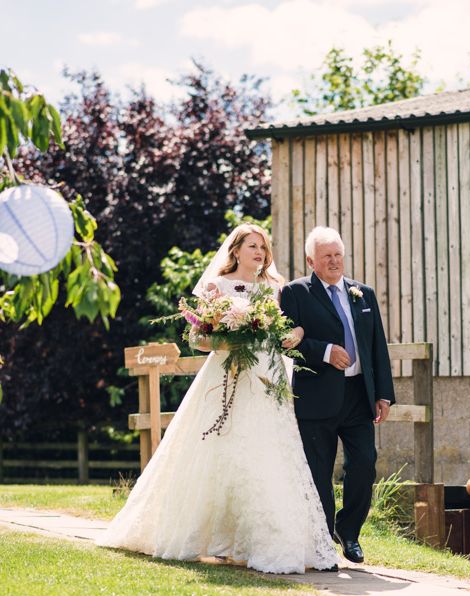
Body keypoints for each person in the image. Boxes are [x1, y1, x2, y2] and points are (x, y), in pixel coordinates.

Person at [96, 224, 339, 574]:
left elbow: (290, 329)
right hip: (223, 378)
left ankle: (266, 539)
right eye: (252, 245)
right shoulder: (217, 287)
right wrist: (232, 338)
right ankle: (206, 537)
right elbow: (198, 339)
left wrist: (295, 334)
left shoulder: (275, 288)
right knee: (215, 452)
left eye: (263, 246)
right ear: (236, 251)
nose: (259, 251)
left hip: (265, 379)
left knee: (266, 455)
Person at [280, 226, 396, 564]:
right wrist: (325, 351)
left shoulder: (363, 294)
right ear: (310, 260)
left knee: (365, 464)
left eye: (338, 255)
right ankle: (322, 538)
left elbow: (377, 347)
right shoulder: (295, 293)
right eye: (326, 256)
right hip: (317, 397)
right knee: (319, 474)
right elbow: (285, 343)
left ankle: (349, 531)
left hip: (359, 395)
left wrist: (384, 394)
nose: (334, 261)